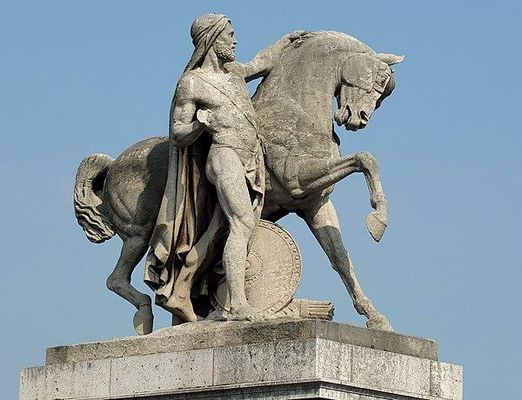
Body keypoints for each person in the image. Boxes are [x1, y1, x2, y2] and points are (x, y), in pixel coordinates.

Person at [144, 13, 304, 322]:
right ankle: (236, 305)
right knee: (242, 223)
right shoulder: (192, 83)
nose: (235, 41)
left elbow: (261, 63)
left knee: (225, 229)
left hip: (251, 160)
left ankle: (194, 290)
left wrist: (285, 42)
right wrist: (199, 125)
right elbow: (178, 133)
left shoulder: (234, 74)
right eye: (229, 35)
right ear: (212, 39)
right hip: (224, 156)